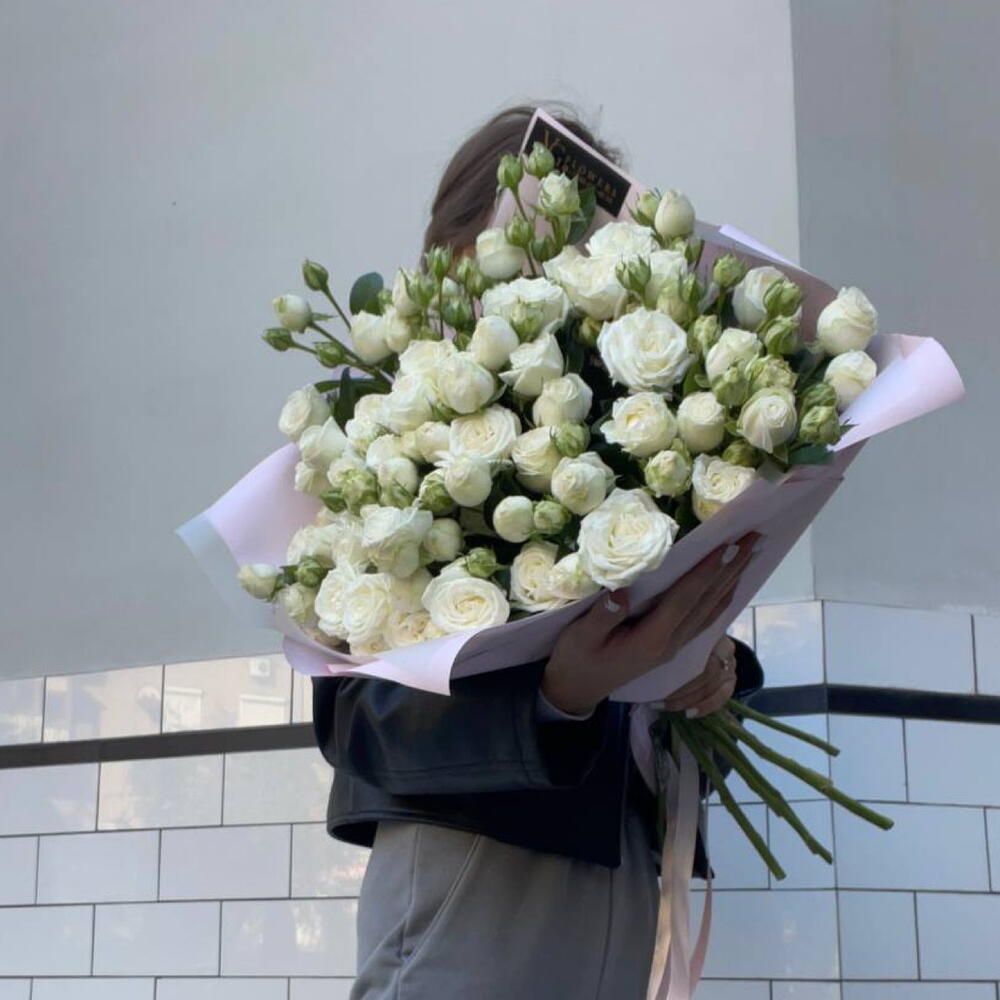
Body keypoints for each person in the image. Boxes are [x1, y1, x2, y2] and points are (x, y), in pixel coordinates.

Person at [311, 104, 765, 1000]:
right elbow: (355, 719)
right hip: (474, 878)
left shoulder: (615, 411)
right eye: (527, 234)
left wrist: (707, 663)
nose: (555, 261)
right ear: (454, 248)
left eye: (587, 241)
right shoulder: (389, 426)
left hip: (622, 872)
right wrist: (558, 695)